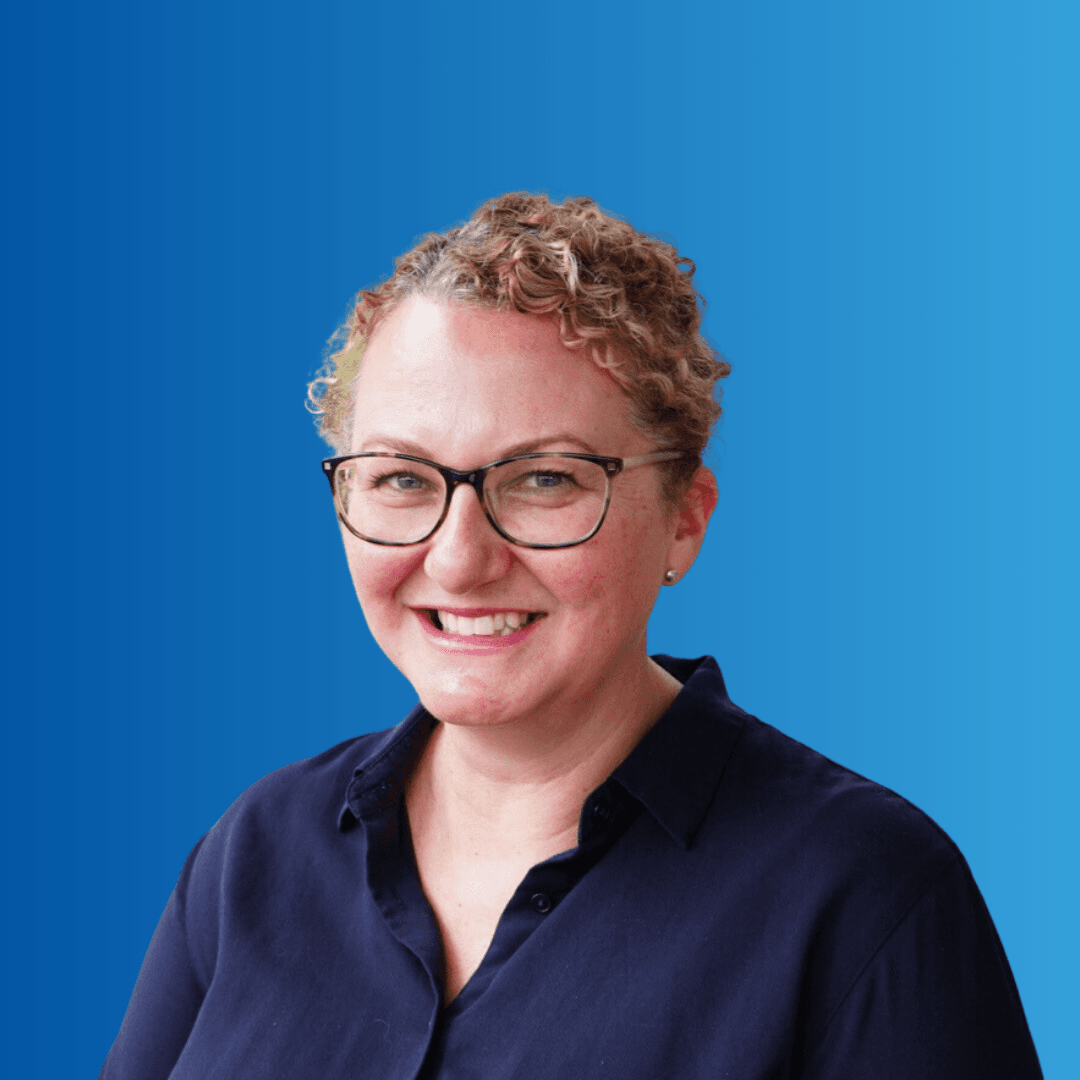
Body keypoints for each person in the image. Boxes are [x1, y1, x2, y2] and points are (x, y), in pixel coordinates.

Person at [100, 193, 1042, 1079]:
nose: (459, 559)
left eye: (545, 479)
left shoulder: (867, 895)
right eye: (400, 478)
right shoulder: (257, 851)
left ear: (684, 519)